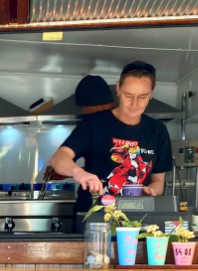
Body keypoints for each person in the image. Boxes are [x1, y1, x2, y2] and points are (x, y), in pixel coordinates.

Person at [48, 61, 173, 216]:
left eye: (142, 96)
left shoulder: (158, 131)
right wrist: (78, 172)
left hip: (135, 220)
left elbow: (158, 182)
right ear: (118, 88)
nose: (134, 104)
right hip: (92, 217)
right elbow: (58, 159)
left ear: (152, 93)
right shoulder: (94, 124)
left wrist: (150, 190)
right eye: (128, 95)